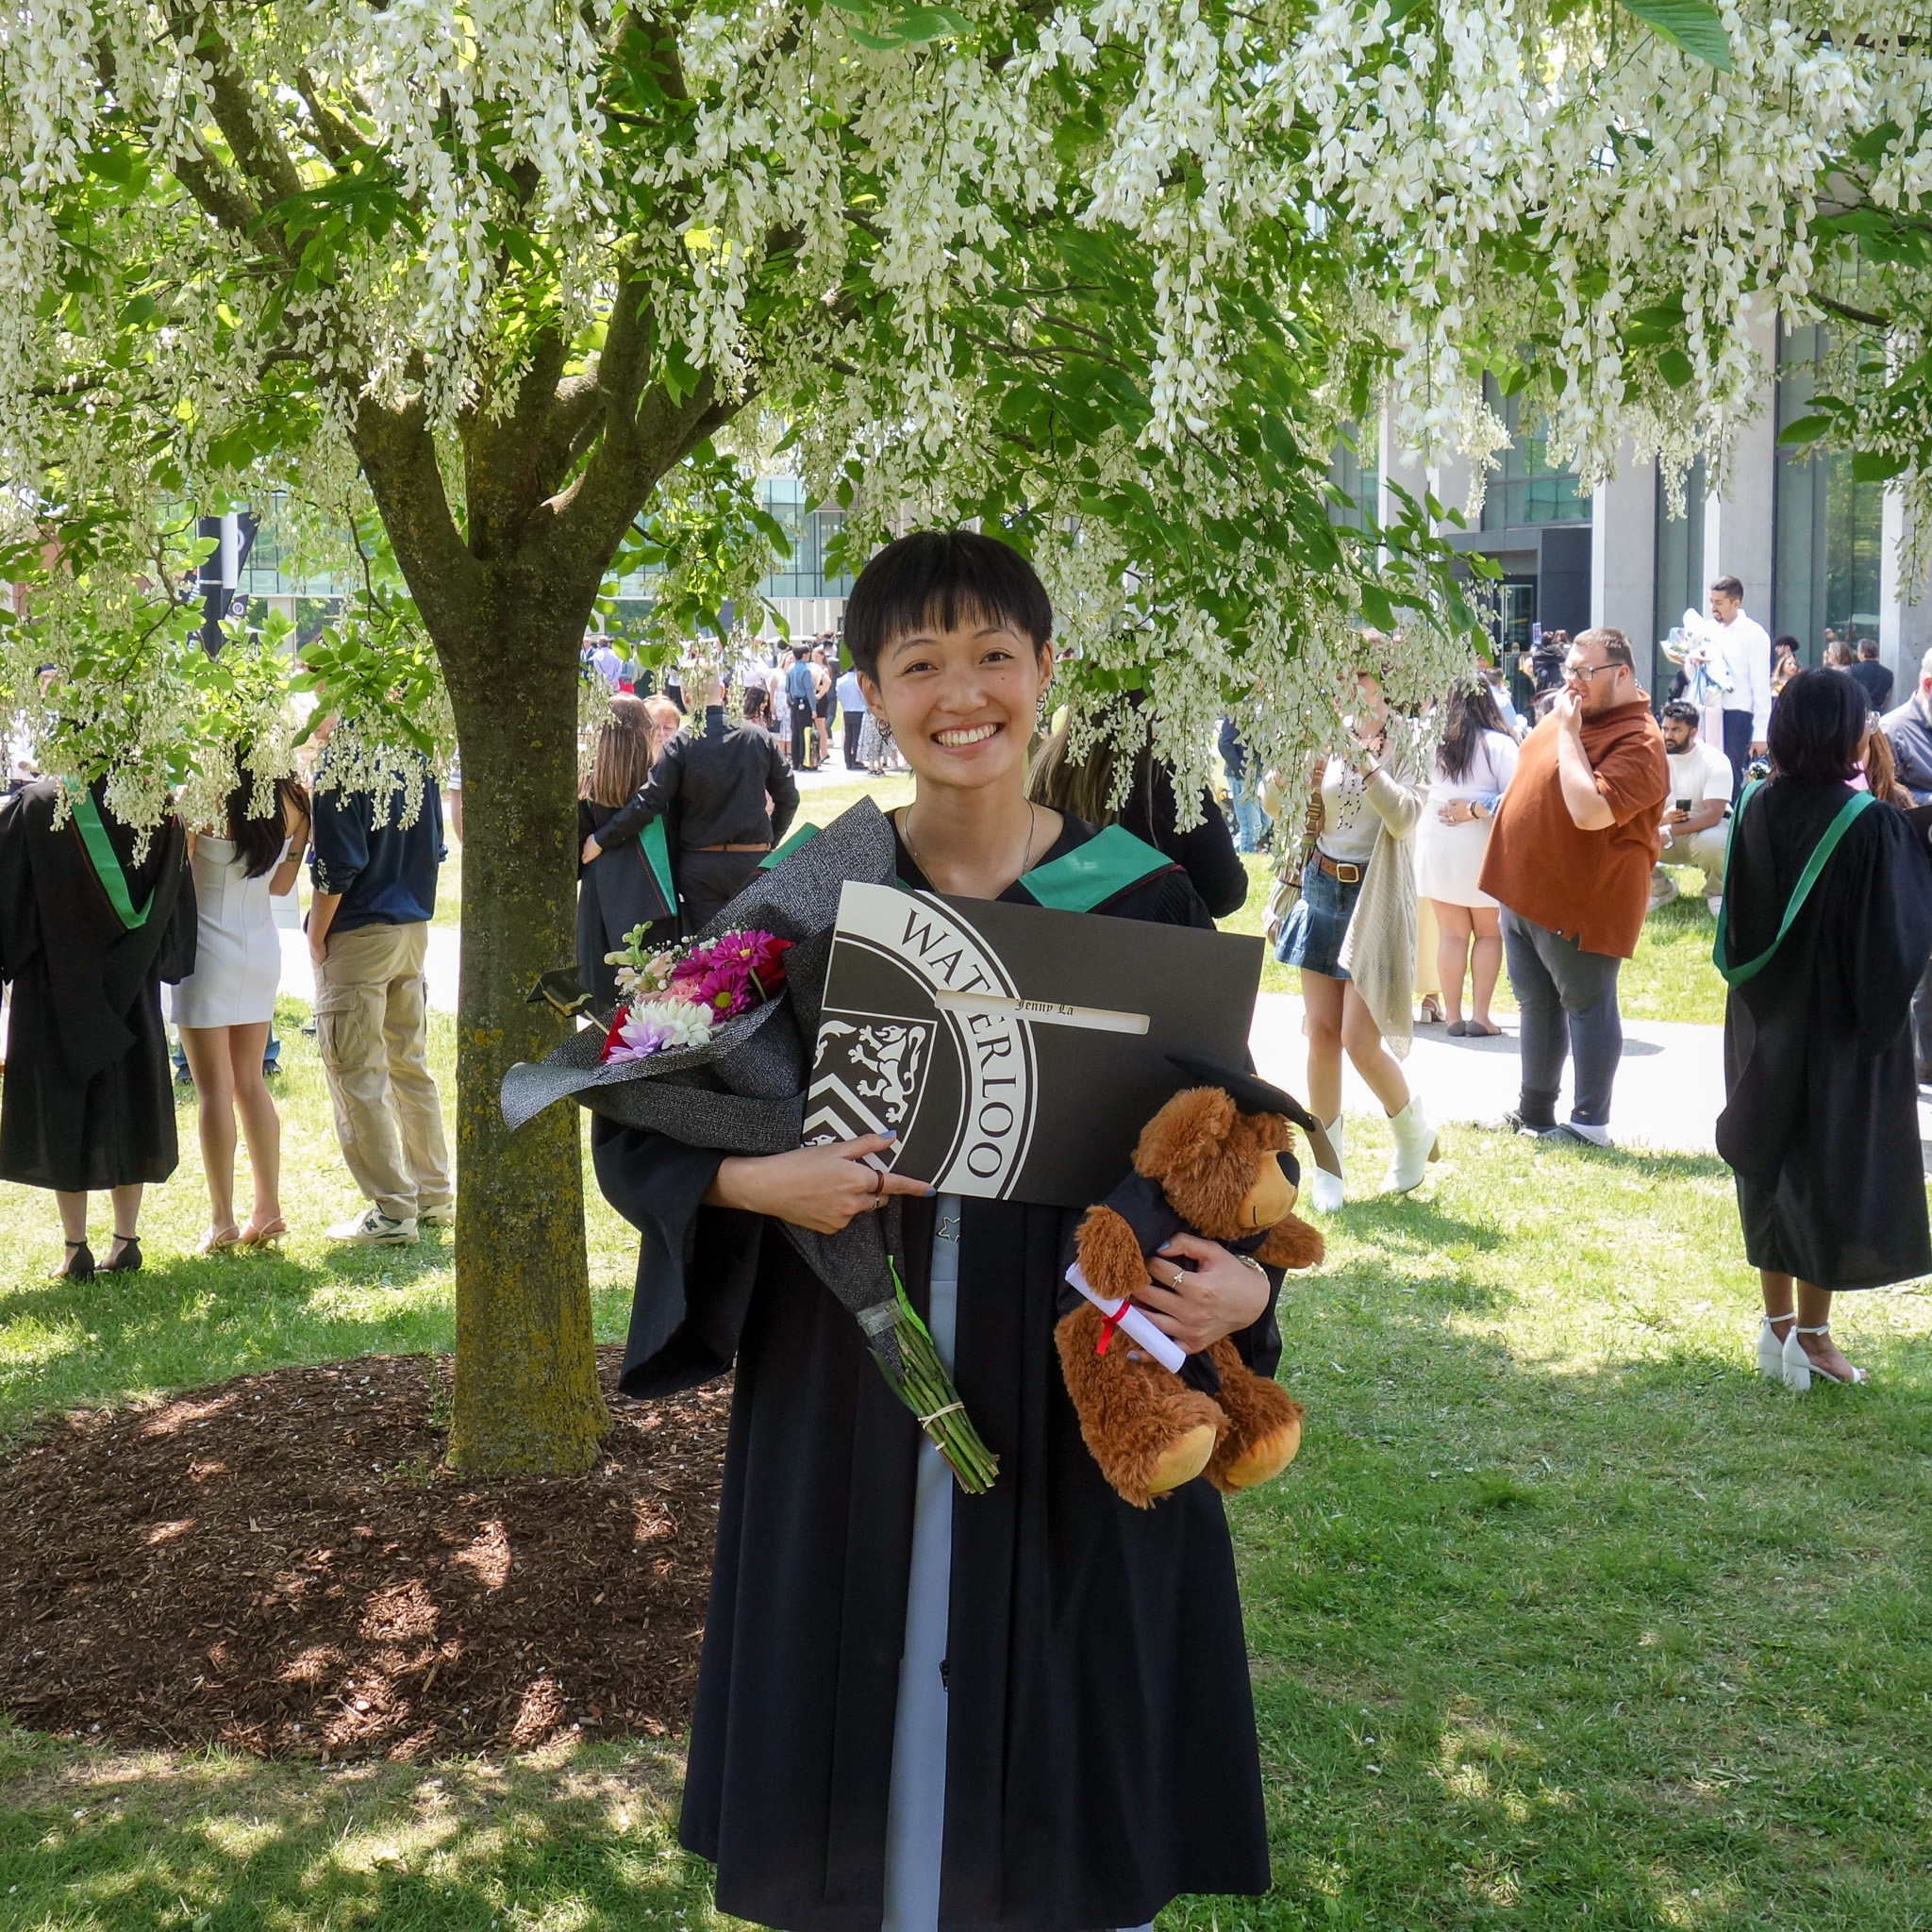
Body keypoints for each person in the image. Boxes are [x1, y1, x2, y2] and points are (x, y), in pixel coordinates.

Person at [593, 527, 1276, 1932]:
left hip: (1069, 1375)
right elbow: (638, 1109)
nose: (962, 694)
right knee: (867, 1677)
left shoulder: (1137, 897)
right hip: (852, 1371)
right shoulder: (811, 896)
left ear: (1045, 670)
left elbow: (1225, 1162)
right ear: (871, 692)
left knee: (1063, 1699)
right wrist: (761, 1183)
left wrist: (1242, 1298)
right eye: (920, 665)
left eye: (993, 656)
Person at [1717, 668, 1932, 1389]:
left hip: (1759, 1014)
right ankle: (1811, 1338)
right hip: (1836, 1025)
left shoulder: (1753, 803)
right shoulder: (1867, 822)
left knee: (1769, 1157)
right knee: (1824, 1170)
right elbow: (1895, 939)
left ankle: (1776, 1325)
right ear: (1847, 734)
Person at [0, 774, 197, 1276]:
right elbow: (177, 907)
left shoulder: (40, 804)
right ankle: (125, 1240)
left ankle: (76, 1249)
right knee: (130, 1102)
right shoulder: (158, 808)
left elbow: (10, 901)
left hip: (56, 990)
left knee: (66, 1107)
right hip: (132, 990)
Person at [1479, 626, 1669, 1147]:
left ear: (1622, 673)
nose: (1573, 681)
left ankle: (1589, 1124)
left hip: (1581, 901)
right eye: (1570, 669)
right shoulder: (1574, 711)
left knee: (1587, 1006)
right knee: (1536, 1004)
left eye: (1585, 671)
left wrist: (1565, 730)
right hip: (1526, 892)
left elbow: (1589, 812)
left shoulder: (1640, 740)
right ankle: (1535, 1113)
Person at [1273, 663, 1433, 1204]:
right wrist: (1287, 774)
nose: (1347, 689)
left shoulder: (1411, 741)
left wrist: (1363, 759)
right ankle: (1328, 1168)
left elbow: (1404, 816)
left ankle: (1413, 1136)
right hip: (1321, 886)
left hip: (1374, 895)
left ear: (1385, 684)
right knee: (1321, 1033)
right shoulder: (1325, 732)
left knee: (1360, 1041)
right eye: (1340, 678)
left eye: (1359, 679)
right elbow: (1275, 806)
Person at [308, 742, 454, 1245]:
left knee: (357, 1072)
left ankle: (394, 1210)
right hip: (411, 927)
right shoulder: (413, 752)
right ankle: (432, 1193)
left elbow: (336, 864)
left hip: (359, 931)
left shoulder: (342, 761)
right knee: (408, 1062)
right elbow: (435, 846)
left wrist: (315, 933)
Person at [175, 759, 310, 1251]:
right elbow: (280, 885)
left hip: (206, 948)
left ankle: (222, 1220)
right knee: (250, 1083)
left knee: (214, 1090)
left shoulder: (200, 792)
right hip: (260, 945)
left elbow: (178, 874)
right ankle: (268, 1209)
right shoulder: (294, 800)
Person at [583, 675, 799, 931]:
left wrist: (601, 839)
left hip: (700, 865)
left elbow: (649, 801)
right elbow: (789, 797)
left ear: (685, 696)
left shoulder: (679, 744)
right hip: (750, 857)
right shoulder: (759, 737)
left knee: (708, 948)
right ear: (722, 691)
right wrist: (769, 839)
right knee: (755, 945)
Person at [1028, 708, 1249, 918]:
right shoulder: (1171, 778)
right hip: (1152, 939)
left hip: (1056, 932)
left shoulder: (1050, 765)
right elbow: (1225, 894)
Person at [1416, 680, 1519, 1036]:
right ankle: (1481, 1016)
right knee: (1489, 935)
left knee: (1451, 935)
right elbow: (1516, 797)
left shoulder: (1429, 740)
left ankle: (1454, 1017)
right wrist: (1475, 809)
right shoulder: (1499, 744)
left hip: (1437, 839)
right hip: (1482, 843)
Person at [578, 695, 678, 1009]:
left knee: (606, 1004)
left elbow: (578, 852)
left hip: (599, 899)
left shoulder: (587, 785)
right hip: (652, 893)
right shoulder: (658, 782)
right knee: (654, 998)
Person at [1647, 699, 1734, 915]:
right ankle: (1660, 889)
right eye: (1665, 728)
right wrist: (1662, 820)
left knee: (1712, 841)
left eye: (1676, 730)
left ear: (1693, 732)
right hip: (1665, 831)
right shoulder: (1652, 759)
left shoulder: (1715, 760)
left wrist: (1669, 830)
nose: (1668, 735)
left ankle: (1716, 893)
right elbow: (1640, 809)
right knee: (1629, 837)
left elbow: (1713, 814)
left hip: (1704, 831)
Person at [1705, 576, 1774, 784]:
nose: (1713, 608)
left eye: (1719, 603)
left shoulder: (1754, 634)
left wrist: (1760, 733)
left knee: (1729, 774)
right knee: (1706, 771)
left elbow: (1761, 686)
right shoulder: (1708, 629)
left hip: (1737, 714)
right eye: (1711, 602)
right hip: (1708, 710)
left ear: (1735, 603)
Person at [1218, 716, 1272, 854]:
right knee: (1251, 826)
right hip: (1243, 774)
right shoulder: (1238, 710)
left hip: (1260, 773)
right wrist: (1240, 770)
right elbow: (1224, 743)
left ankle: (1228, 851)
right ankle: (1247, 854)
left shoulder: (1265, 711)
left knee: (1265, 821)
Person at [783, 645, 816, 769]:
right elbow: (809, 690)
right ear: (804, 655)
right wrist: (813, 709)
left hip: (794, 702)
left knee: (795, 732)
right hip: (804, 702)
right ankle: (804, 761)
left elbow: (787, 688)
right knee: (805, 732)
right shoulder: (806, 670)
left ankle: (795, 761)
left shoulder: (790, 668)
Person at [1848, 638, 1894, 713]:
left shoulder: (1852, 670)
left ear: (1863, 653)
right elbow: (1886, 697)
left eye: (1858, 651)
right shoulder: (1888, 674)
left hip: (1857, 712)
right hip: (1877, 712)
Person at [836, 658, 866, 769]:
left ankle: (847, 760)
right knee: (856, 736)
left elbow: (838, 695)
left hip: (847, 710)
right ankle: (855, 760)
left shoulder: (840, 680)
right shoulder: (857, 680)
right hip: (858, 709)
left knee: (848, 736)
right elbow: (863, 695)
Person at [810, 644, 835, 770]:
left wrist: (814, 687)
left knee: (820, 726)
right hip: (812, 697)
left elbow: (826, 686)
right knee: (814, 726)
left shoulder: (824, 669)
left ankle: (824, 752)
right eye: (813, 656)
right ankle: (817, 751)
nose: (815, 658)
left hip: (821, 699)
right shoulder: (812, 667)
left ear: (822, 657)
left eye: (817, 656)